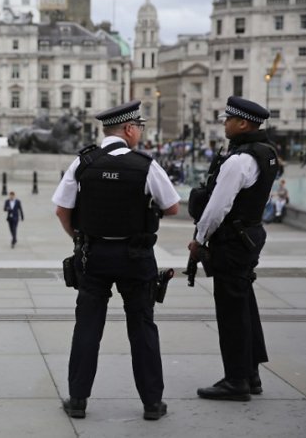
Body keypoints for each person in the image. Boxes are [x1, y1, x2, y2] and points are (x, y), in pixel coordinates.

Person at [52, 100, 180, 421]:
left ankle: (78, 400)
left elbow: (62, 210)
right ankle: (152, 403)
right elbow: (173, 207)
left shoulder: (83, 163)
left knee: (87, 327)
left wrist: (79, 240)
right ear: (129, 129)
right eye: (139, 128)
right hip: (136, 257)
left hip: (93, 255)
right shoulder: (145, 165)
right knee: (142, 327)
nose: (139, 133)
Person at [187, 96, 279, 402]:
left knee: (231, 311)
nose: (224, 123)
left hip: (231, 241)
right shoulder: (266, 154)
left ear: (242, 123)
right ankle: (250, 374)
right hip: (250, 236)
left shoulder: (239, 160)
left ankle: (236, 380)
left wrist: (199, 239)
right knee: (245, 305)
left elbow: (217, 207)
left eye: (228, 119)